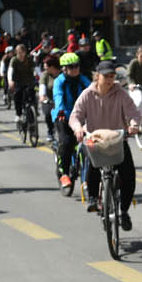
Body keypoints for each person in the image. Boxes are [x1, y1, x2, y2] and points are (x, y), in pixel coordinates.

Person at [69, 59, 141, 224]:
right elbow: (75, 115)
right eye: (105, 76)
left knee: (129, 176)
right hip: (96, 140)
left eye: (112, 75)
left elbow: (133, 113)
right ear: (97, 76)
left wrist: (134, 125)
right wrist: (78, 128)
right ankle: (93, 198)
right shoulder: (87, 94)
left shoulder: (121, 93)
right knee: (93, 165)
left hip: (118, 140)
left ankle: (123, 211)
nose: (109, 79)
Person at [51, 52, 91, 194]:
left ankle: (89, 179)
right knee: (67, 143)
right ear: (64, 69)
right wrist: (60, 110)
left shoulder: (83, 80)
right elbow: (58, 97)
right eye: (71, 67)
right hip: (64, 117)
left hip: (81, 117)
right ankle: (64, 174)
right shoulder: (59, 81)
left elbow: (93, 92)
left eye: (77, 66)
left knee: (92, 144)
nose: (75, 69)